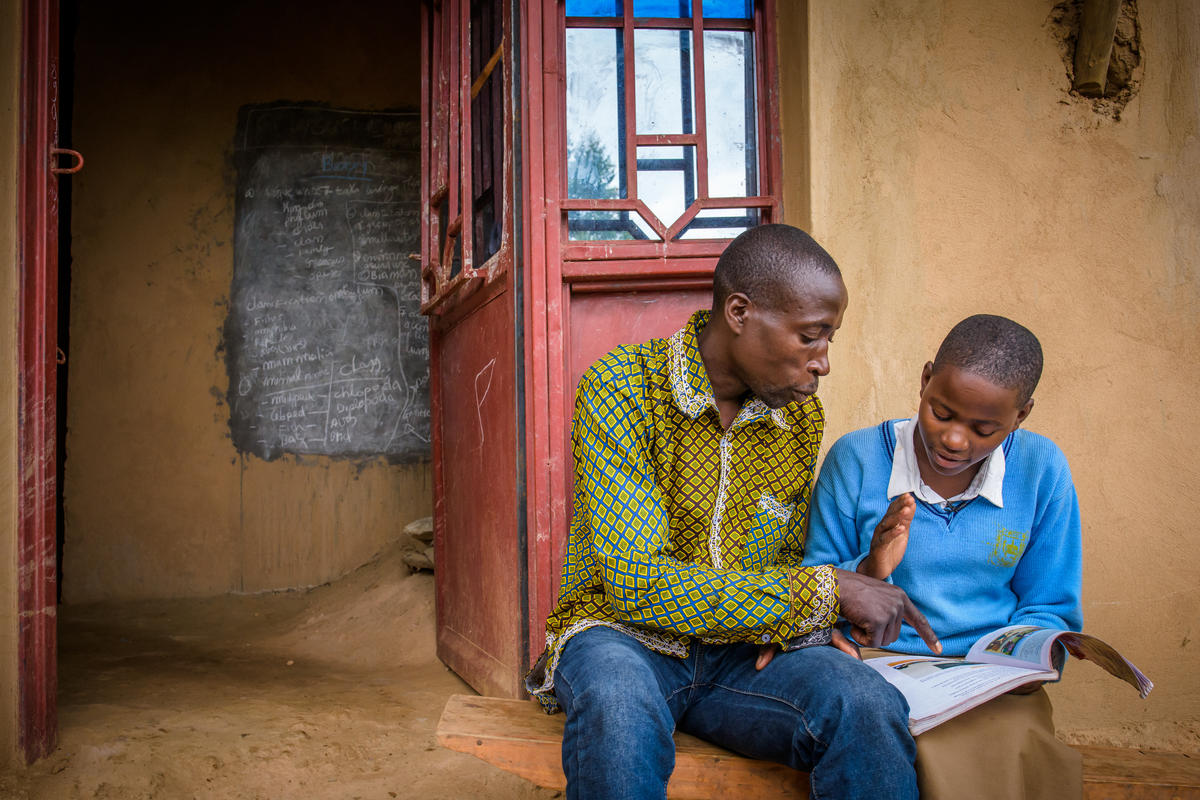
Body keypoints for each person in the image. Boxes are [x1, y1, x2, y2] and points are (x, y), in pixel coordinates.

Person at [524, 224, 940, 800]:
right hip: (623, 638)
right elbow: (639, 585)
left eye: (830, 341)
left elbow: (786, 559)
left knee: (866, 704)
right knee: (618, 701)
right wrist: (818, 595)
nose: (822, 365)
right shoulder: (621, 386)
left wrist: (854, 582)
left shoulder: (795, 418)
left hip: (740, 660)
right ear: (740, 312)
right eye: (810, 337)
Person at [802, 314, 1084, 799]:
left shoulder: (1042, 470)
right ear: (925, 379)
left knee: (1011, 750)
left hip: (992, 683)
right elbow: (812, 583)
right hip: (875, 666)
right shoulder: (856, 460)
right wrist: (870, 571)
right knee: (881, 734)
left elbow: (1049, 605)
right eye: (942, 413)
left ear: (1022, 415)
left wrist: (1028, 661)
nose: (955, 440)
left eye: (984, 428)